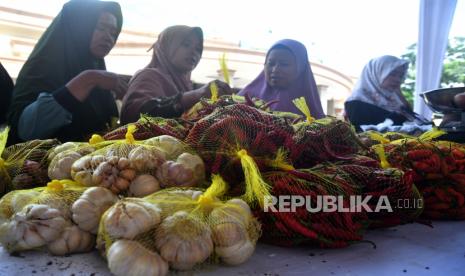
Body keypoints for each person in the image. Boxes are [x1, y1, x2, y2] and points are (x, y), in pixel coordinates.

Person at [7, 0, 128, 143]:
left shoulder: (97, 69)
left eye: (114, 33)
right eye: (101, 27)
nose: (109, 37)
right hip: (38, 163)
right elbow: (27, 129)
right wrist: (88, 79)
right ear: (78, 26)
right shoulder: (44, 66)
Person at [120, 25, 231, 124]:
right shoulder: (148, 76)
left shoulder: (186, 86)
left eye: (198, 49)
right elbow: (134, 117)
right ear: (166, 46)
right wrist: (194, 96)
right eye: (186, 45)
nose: (193, 52)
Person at [238, 39, 325, 118]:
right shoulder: (245, 98)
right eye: (271, 64)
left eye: (284, 64)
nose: (275, 69)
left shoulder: (311, 111)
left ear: (300, 68)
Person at [345, 55, 428, 131]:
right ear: (376, 72)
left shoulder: (393, 99)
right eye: (393, 74)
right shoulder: (357, 101)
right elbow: (363, 135)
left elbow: (417, 120)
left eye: (401, 75)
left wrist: (399, 94)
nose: (398, 79)